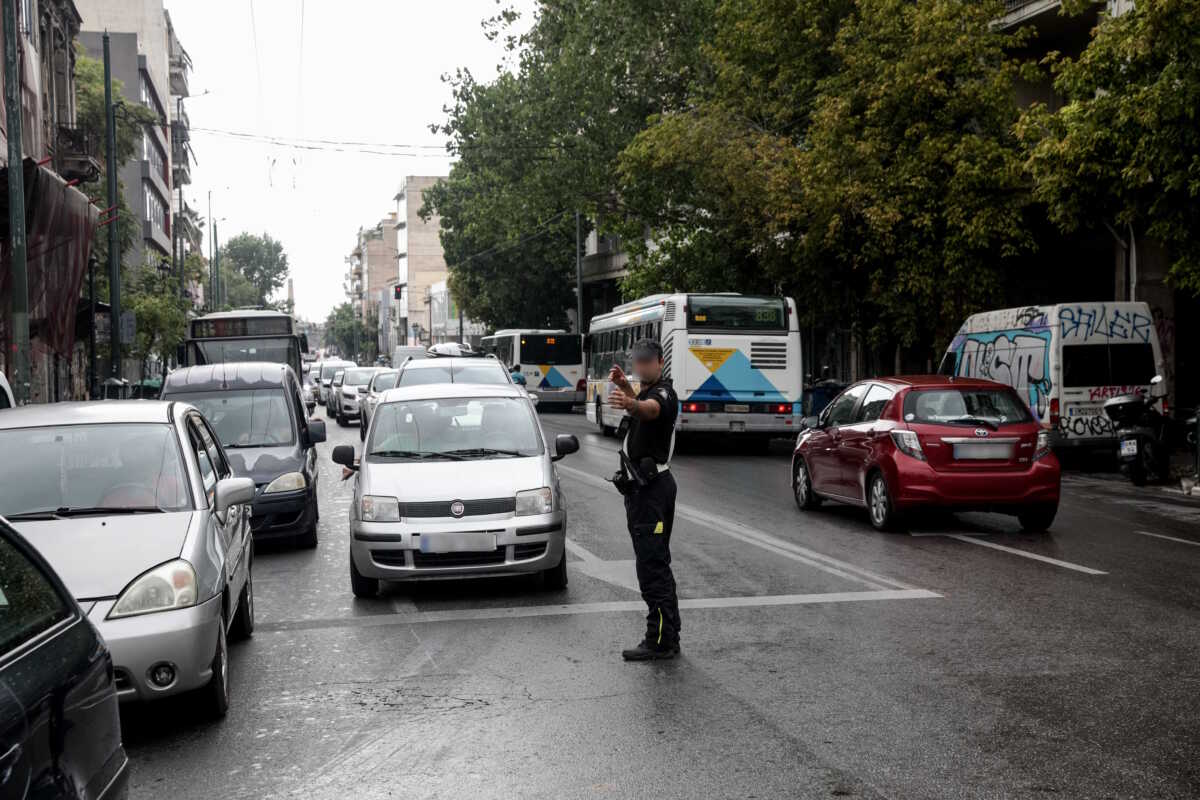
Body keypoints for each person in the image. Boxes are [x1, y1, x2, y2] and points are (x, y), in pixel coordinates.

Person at [608, 338, 680, 661]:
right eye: (637, 361)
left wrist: (631, 404)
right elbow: (642, 403)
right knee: (653, 563)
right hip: (642, 490)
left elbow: (651, 410)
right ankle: (667, 635)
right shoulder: (648, 390)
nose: (641, 366)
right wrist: (627, 388)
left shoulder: (664, 393)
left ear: (659, 362)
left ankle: (660, 640)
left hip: (652, 491)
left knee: (653, 567)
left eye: (647, 361)